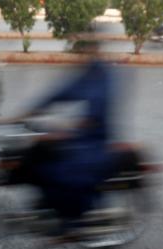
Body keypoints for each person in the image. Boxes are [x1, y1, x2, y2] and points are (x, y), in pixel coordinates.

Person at [13, 26, 115, 237]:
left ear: (94, 49)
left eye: (84, 49)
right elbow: (60, 93)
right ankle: (47, 205)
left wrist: (66, 130)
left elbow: (96, 112)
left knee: (61, 170)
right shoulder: (87, 72)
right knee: (36, 151)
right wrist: (26, 114)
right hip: (81, 132)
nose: (79, 55)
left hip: (94, 138)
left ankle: (72, 222)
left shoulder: (103, 74)